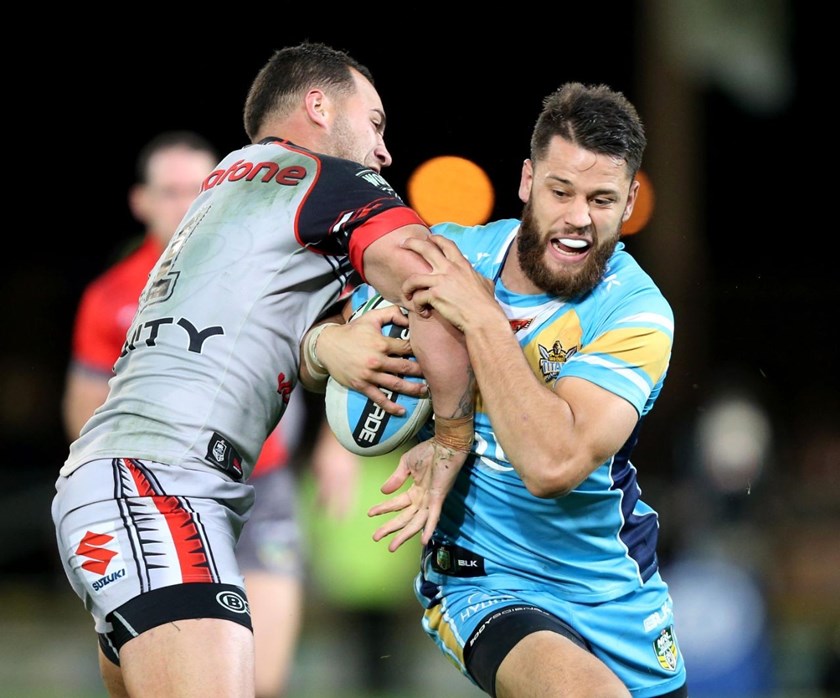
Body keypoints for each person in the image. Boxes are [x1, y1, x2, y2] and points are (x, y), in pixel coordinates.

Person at [51, 42, 473, 698]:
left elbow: (263, 330)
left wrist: (325, 348)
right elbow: (440, 293)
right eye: (376, 121)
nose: (384, 150)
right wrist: (452, 439)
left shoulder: (226, 190)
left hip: (136, 485)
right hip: (160, 489)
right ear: (318, 104)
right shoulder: (331, 181)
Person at [317, 82, 689, 697]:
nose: (577, 217)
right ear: (526, 181)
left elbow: (553, 462)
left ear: (628, 205)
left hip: (615, 594)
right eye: (560, 190)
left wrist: (483, 320)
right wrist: (324, 346)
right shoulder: (451, 253)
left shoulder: (637, 313)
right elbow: (314, 319)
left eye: (601, 199)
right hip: (482, 581)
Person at [60, 130, 320, 698]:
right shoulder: (112, 297)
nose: (187, 204)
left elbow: (315, 351)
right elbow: (83, 414)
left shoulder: (262, 266)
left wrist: (333, 449)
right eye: (171, 190)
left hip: (261, 488)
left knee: (261, 680)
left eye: (198, 189)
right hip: (154, 496)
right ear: (141, 202)